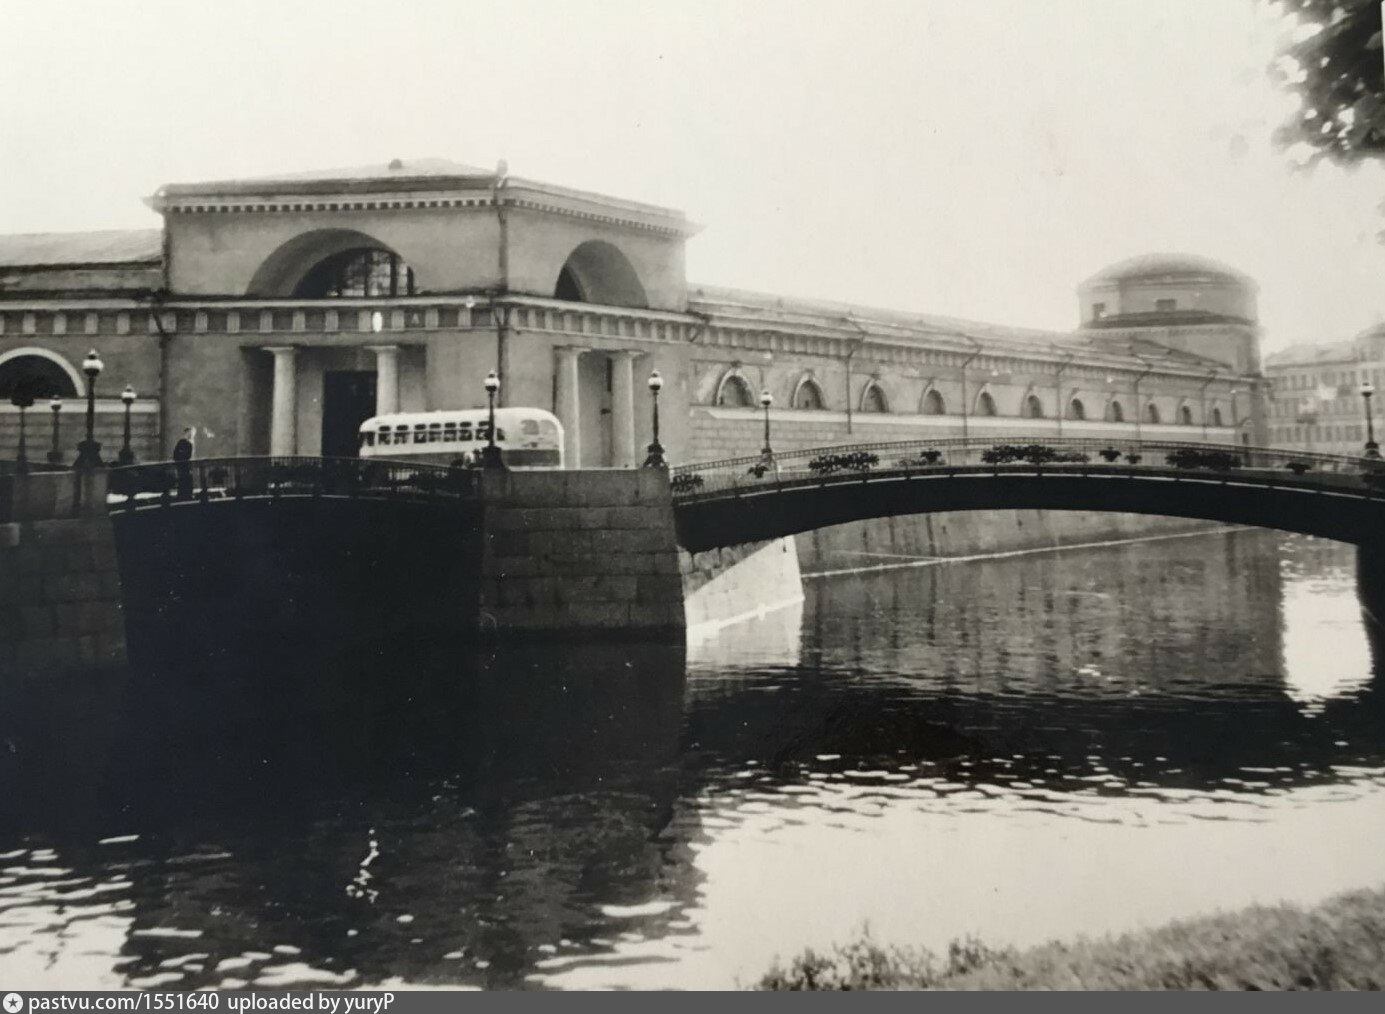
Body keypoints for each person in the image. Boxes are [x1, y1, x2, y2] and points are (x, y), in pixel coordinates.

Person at [173, 426, 195, 499]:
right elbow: (177, 454)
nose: (190, 435)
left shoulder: (187, 443)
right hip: (184, 466)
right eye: (189, 433)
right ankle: (185, 495)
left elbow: (176, 454)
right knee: (184, 480)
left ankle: (184, 495)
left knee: (184, 480)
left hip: (183, 466)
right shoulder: (184, 442)